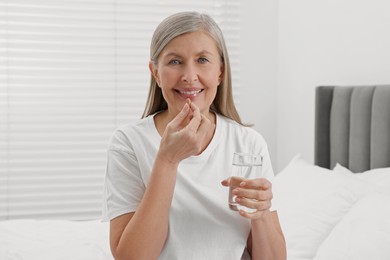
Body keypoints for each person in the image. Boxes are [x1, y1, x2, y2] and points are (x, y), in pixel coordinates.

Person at [102, 11, 286, 260]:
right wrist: (167, 160)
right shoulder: (128, 143)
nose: (189, 76)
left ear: (220, 71)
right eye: (175, 61)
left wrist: (261, 213)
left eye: (202, 60)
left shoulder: (248, 143)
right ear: (155, 73)